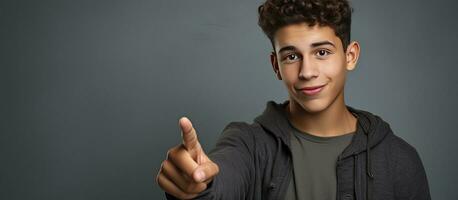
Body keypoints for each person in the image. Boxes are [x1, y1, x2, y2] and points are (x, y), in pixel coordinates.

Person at [155, 0, 432, 199]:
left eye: (322, 52)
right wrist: (198, 186)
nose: (307, 72)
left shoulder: (399, 159)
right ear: (276, 66)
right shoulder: (248, 144)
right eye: (291, 56)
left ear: (350, 56)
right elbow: (223, 177)